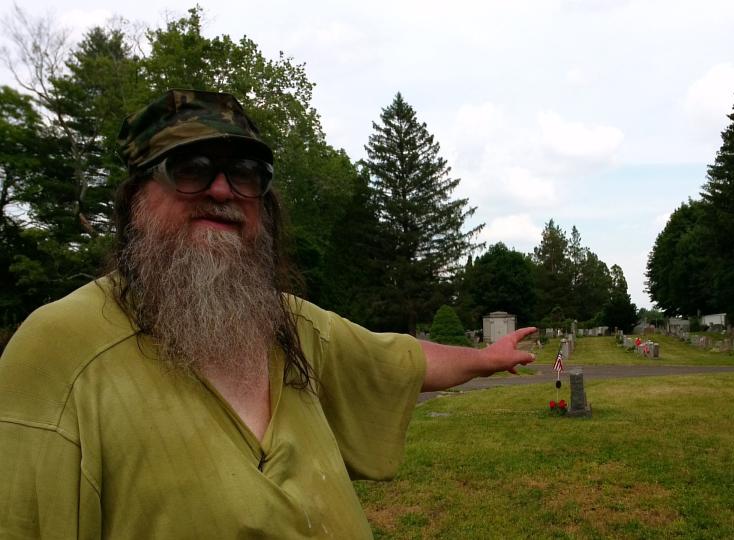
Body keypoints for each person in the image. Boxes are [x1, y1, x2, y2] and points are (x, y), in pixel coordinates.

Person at [0, 89, 536, 538]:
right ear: (135, 198)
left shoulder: (287, 324)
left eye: (245, 173)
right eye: (189, 168)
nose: (221, 189)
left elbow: (395, 359)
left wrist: (483, 358)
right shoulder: (59, 350)